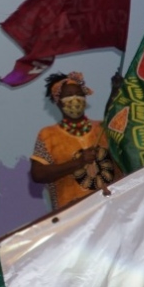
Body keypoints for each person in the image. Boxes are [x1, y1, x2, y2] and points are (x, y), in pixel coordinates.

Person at [29, 72, 119, 212]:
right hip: (72, 215)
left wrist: (117, 92)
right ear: (57, 100)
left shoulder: (102, 129)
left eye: (79, 94)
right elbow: (38, 174)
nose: (75, 99)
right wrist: (78, 163)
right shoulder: (48, 135)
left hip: (112, 208)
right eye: (69, 95)